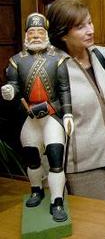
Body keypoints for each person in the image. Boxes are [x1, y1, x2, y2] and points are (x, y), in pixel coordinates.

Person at [46, 0, 105, 204]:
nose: (90, 30)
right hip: (82, 167)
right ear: (62, 34)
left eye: (90, 22)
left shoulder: (102, 54)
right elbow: (48, 124)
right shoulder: (52, 67)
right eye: (80, 27)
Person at [1, 12, 74, 222]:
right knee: (32, 160)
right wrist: (10, 91)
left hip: (52, 116)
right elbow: (14, 86)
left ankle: (57, 200)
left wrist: (68, 114)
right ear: (26, 35)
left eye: (39, 32)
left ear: (46, 33)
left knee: (55, 159)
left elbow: (64, 89)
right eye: (31, 32)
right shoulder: (16, 61)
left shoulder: (58, 60)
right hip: (30, 118)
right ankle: (36, 190)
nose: (35, 36)